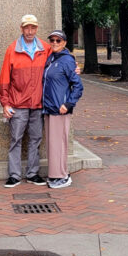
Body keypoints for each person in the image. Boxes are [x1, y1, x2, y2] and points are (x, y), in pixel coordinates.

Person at [0, 14, 52, 188]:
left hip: (38, 104)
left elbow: (59, 64)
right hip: (18, 104)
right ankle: (14, 175)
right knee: (16, 139)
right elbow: (5, 78)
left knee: (35, 139)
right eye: (27, 28)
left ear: (37, 29)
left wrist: (73, 67)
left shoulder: (45, 48)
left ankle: (32, 174)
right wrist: (5, 103)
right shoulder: (12, 49)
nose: (30, 31)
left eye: (33, 28)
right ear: (21, 29)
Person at [42, 29, 83, 189]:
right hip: (49, 108)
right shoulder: (51, 58)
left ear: (64, 43)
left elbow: (78, 86)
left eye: (58, 40)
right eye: (52, 40)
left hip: (60, 109)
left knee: (59, 143)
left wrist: (67, 104)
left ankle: (61, 176)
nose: (54, 43)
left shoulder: (67, 60)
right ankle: (55, 174)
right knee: (52, 144)